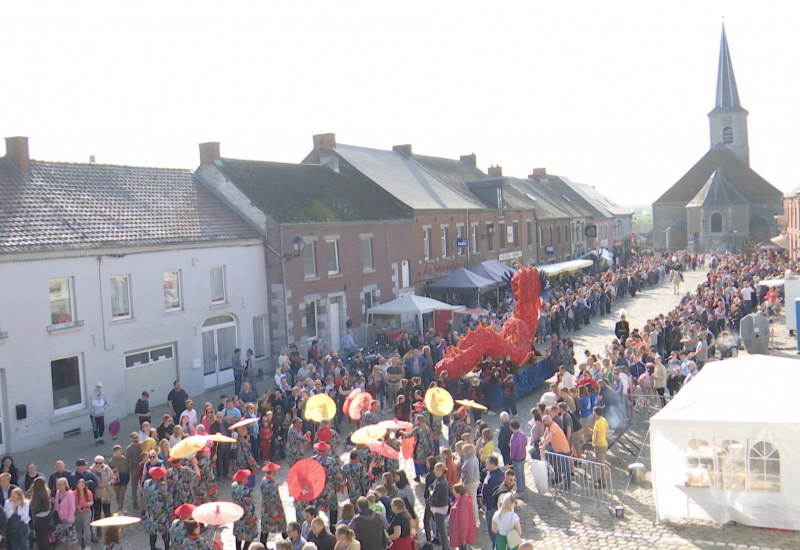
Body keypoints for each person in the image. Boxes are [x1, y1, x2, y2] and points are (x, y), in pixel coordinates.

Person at [141, 466, 170, 550]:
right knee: (165, 530)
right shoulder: (163, 485)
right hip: (161, 511)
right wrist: (170, 511)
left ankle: (153, 547)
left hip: (150, 511)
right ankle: (167, 547)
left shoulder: (146, 483)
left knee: (152, 531)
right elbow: (168, 498)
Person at [259, 462, 286, 547]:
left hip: (265, 508)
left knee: (265, 528)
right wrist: (276, 514)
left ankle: (262, 546)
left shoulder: (264, 480)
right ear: (273, 471)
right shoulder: (272, 485)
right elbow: (274, 500)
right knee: (282, 526)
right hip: (274, 509)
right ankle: (287, 544)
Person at [232, 469, 258, 550]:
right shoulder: (245, 490)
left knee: (238, 533)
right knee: (251, 534)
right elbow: (248, 505)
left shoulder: (234, 486)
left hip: (237, 512)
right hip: (246, 515)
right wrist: (252, 516)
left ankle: (238, 548)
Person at [90, 455, 115, 539]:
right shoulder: (91, 471)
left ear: (103, 463)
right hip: (97, 495)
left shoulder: (107, 469)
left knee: (107, 512)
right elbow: (91, 482)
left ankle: (109, 529)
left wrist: (109, 483)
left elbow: (113, 477)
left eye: (100, 463)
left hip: (106, 493)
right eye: (96, 462)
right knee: (97, 513)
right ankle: (98, 530)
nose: (98, 464)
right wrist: (98, 485)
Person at [482, 456, 503, 550]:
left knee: (493, 532)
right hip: (490, 506)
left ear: (492, 464)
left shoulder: (495, 478)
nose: (485, 464)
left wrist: (489, 505)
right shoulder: (493, 473)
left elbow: (494, 494)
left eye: (487, 463)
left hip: (492, 507)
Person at [426, 464, 450, 550]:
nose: (434, 472)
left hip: (439, 507)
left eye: (435, 470)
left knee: (441, 531)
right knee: (440, 528)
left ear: (440, 471)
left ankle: (445, 548)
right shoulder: (441, 479)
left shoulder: (441, 482)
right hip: (440, 506)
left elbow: (434, 494)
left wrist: (430, 493)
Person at [448, 484, 477, 550]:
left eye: (454, 492)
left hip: (460, 534)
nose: (453, 494)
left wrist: (463, 538)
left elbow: (464, 522)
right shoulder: (461, 499)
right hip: (459, 531)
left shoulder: (463, 504)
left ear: (458, 493)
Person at [459, 444, 480, 528]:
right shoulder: (473, 458)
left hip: (470, 483)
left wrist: (463, 483)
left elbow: (469, 475)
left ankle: (475, 520)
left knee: (473, 501)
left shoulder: (470, 461)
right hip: (473, 482)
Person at [52, 477, 76, 550]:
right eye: (58, 484)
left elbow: (72, 507)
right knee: (62, 537)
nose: (59, 486)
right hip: (59, 519)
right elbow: (56, 505)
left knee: (72, 537)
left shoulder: (70, 494)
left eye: (60, 484)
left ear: (65, 485)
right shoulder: (57, 493)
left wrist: (70, 519)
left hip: (68, 519)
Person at [29, 476, 52, 549]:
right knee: (43, 536)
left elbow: (36, 508)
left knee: (39, 538)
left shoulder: (38, 494)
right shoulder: (46, 491)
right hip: (46, 515)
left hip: (40, 518)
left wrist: (30, 509)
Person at [72, 477, 93, 549]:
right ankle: (79, 545)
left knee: (87, 528)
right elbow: (72, 504)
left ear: (84, 485)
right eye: (79, 485)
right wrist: (77, 507)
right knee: (78, 529)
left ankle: (88, 545)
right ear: (77, 485)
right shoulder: (74, 493)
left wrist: (88, 504)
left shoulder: (88, 492)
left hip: (86, 511)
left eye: (82, 485)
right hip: (77, 512)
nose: (81, 486)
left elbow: (91, 502)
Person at [107, 445, 129, 513]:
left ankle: (120, 509)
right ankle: (120, 508)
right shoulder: (111, 461)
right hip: (116, 479)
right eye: (118, 451)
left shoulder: (124, 459)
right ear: (114, 452)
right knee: (118, 494)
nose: (120, 452)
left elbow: (127, 468)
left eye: (120, 451)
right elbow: (110, 471)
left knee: (122, 494)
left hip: (124, 477)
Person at [508, 420, 527, 493]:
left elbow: (513, 449)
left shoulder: (514, 437)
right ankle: (523, 486)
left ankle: (519, 489)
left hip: (517, 458)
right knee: (522, 473)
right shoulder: (522, 434)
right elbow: (525, 443)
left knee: (518, 474)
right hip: (523, 455)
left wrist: (511, 457)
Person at [125, 433, 142, 509]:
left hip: (142, 467)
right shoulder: (129, 448)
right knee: (134, 485)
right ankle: (134, 500)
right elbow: (127, 459)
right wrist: (129, 469)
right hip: (134, 468)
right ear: (131, 439)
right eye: (134, 438)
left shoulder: (141, 445)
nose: (136, 439)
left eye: (137, 437)